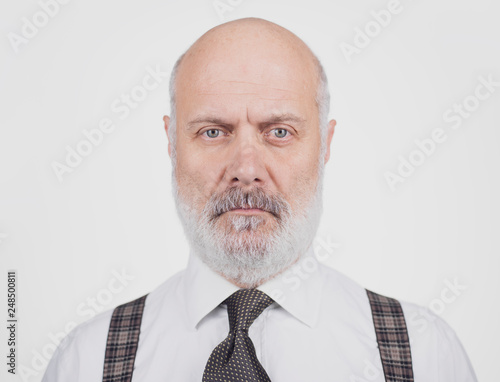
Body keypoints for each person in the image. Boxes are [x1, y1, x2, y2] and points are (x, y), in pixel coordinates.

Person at [42, 17, 477, 381]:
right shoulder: (87, 360)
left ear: (325, 145)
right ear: (172, 144)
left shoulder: (425, 354)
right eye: (213, 132)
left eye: (279, 132)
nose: (245, 168)